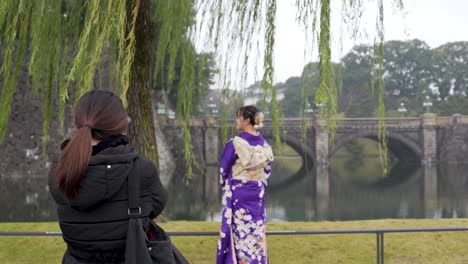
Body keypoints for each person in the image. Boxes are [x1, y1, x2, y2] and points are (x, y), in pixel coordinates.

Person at [49, 90, 167, 263]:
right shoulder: (141, 169)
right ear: (119, 124)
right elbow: (156, 205)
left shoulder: (58, 172)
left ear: (78, 120)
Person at [216, 106, 274, 264]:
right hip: (258, 192)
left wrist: (226, 185)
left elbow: (223, 169)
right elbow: (267, 170)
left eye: (238, 117)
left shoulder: (235, 143)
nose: (236, 121)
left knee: (239, 229)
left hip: (239, 193)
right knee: (256, 229)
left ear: (246, 120)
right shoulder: (264, 145)